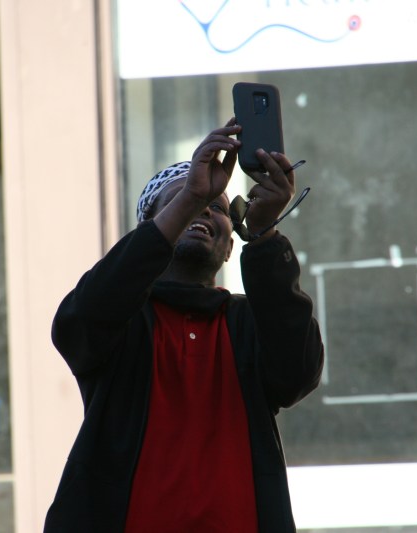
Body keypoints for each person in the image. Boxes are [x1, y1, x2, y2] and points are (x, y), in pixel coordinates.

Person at [44, 118, 324, 532]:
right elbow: (76, 325)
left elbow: (298, 373)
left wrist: (264, 232)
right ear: (152, 230)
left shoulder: (249, 323)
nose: (203, 208)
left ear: (229, 248)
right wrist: (192, 195)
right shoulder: (121, 321)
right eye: (182, 202)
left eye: (217, 207)